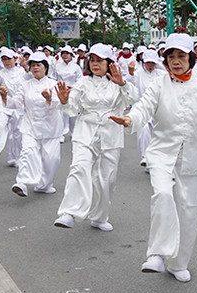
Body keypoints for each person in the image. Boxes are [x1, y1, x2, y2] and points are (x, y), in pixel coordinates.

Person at [109, 33, 197, 283]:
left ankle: (178, 263)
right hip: (162, 154)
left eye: (181, 56)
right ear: (165, 61)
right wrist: (130, 119)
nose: (176, 61)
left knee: (189, 212)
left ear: (191, 59)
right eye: (171, 57)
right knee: (163, 195)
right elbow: (143, 107)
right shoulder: (159, 84)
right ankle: (156, 253)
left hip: (192, 159)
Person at [53, 43, 138, 230]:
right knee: (79, 167)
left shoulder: (117, 83)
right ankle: (69, 212)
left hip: (111, 133)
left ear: (109, 63)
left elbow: (133, 99)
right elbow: (71, 109)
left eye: (99, 60)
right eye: (92, 60)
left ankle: (99, 217)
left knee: (106, 178)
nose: (95, 64)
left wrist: (122, 83)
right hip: (85, 131)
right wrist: (65, 100)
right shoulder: (83, 83)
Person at [9, 52, 63, 197]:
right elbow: (16, 102)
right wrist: (4, 96)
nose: (35, 68)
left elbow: (59, 104)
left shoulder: (54, 84)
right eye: (32, 65)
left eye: (38, 65)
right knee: (27, 153)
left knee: (51, 159)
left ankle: (44, 185)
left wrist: (49, 99)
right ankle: (21, 183)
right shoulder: (25, 85)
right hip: (30, 126)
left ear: (45, 67)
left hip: (50, 127)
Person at [127, 49, 165, 168]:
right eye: (148, 63)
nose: (150, 66)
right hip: (141, 106)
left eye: (152, 63)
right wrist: (130, 72)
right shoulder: (137, 73)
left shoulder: (161, 74)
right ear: (144, 62)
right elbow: (128, 83)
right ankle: (145, 156)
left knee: (159, 133)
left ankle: (158, 159)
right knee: (143, 129)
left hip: (158, 107)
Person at [54, 45, 84, 141]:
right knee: (61, 114)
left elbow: (80, 80)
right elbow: (53, 78)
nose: (65, 55)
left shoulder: (76, 67)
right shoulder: (57, 66)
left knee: (73, 113)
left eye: (67, 53)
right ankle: (61, 134)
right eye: (63, 53)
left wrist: (73, 87)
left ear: (71, 55)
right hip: (61, 92)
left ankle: (73, 132)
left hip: (73, 91)